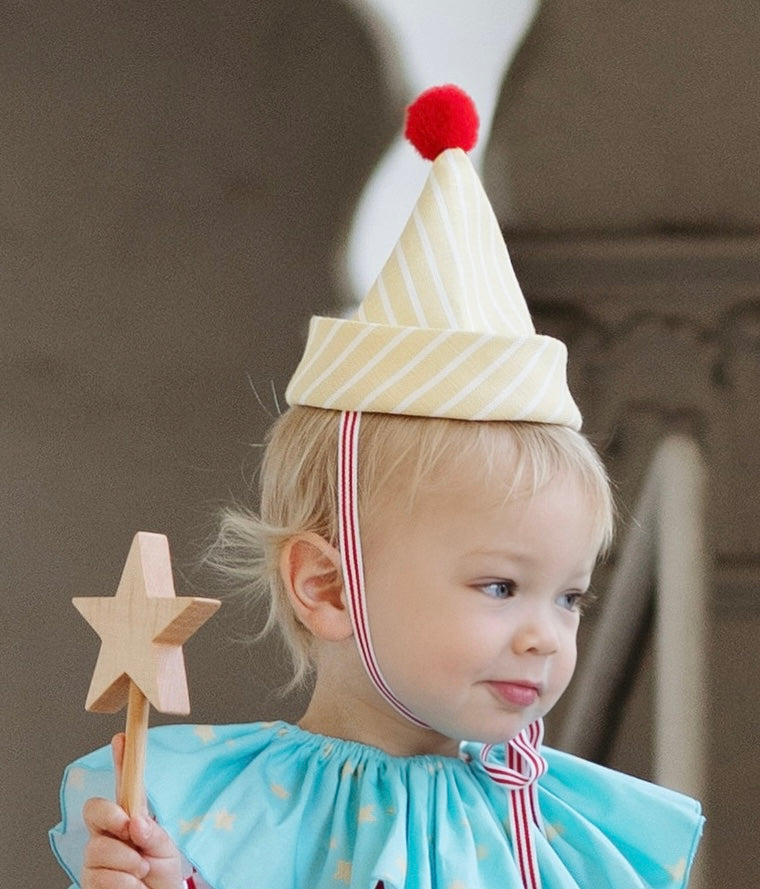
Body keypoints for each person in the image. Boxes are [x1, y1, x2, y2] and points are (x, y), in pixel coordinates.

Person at [51, 85, 704, 889]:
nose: (546, 636)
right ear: (327, 584)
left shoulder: (558, 828)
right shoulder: (222, 820)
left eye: (569, 597)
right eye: (501, 584)